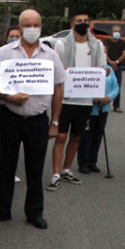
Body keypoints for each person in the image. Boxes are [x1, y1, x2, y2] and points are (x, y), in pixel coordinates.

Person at [0, 8, 64, 229]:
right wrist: (9, 96)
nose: (32, 29)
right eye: (28, 25)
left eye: (36, 25)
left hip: (38, 119)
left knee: (35, 169)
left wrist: (55, 121)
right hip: (11, 116)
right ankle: (1, 210)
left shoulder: (51, 55)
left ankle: (34, 212)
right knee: (6, 166)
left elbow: (58, 89)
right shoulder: (5, 52)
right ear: (20, 27)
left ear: (41, 27)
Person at [48, 11, 106, 191]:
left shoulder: (97, 45)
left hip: (86, 100)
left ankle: (67, 169)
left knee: (76, 136)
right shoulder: (61, 45)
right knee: (61, 136)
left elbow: (103, 68)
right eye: (79, 21)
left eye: (86, 21)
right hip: (65, 98)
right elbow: (55, 69)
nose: (83, 24)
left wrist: (103, 74)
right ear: (72, 25)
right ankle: (56, 173)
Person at [0, 26, 23, 185]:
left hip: (16, 103)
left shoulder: (23, 56)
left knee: (12, 138)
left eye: (16, 35)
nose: (13, 38)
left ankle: (9, 170)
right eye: (11, 35)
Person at [78, 44, 119, 174]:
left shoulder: (109, 69)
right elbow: (82, 86)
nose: (104, 54)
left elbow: (116, 87)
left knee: (98, 135)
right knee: (87, 135)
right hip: (90, 108)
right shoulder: (89, 68)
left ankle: (92, 161)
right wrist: (93, 97)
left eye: (106, 52)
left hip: (104, 107)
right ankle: (83, 162)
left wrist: (109, 97)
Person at [104, 24, 125, 113]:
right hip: (107, 66)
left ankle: (116, 106)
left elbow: (123, 53)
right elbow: (104, 53)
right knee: (106, 84)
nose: (116, 33)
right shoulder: (107, 42)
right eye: (115, 31)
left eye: (118, 31)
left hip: (118, 66)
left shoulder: (122, 42)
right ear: (111, 32)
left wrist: (116, 62)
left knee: (117, 85)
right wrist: (111, 62)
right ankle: (104, 102)